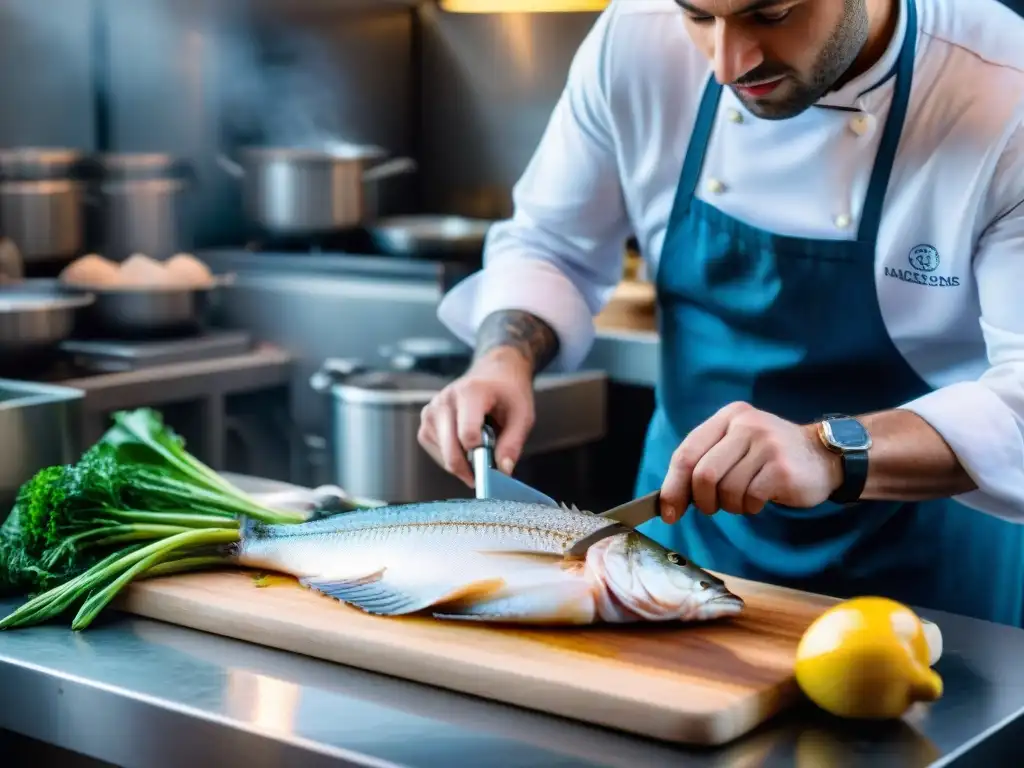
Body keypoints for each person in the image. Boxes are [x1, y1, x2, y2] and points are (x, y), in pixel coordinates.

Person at [417, 0, 1024, 626]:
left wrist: (829, 451)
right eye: (698, 17)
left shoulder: (1004, 90)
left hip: (930, 581)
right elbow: (550, 242)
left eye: (772, 13)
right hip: (683, 551)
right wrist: (502, 360)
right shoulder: (636, 37)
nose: (728, 64)